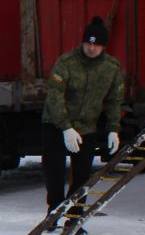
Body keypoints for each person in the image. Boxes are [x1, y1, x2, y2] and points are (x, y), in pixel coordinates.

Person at [41, 16, 125, 210]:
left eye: (96, 45)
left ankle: (74, 215)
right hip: (56, 125)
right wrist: (65, 127)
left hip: (87, 127)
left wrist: (113, 129)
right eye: (88, 43)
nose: (91, 48)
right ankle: (53, 212)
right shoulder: (66, 62)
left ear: (103, 47)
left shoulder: (111, 68)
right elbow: (55, 96)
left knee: (82, 174)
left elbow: (114, 100)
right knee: (54, 171)